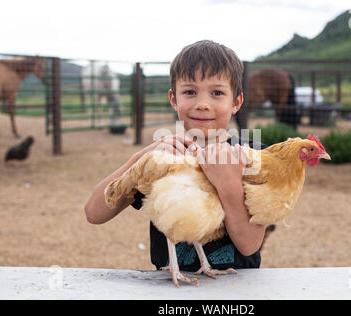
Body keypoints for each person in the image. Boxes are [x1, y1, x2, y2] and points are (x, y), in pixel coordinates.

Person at [84, 40, 268, 272]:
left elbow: (250, 245)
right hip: (172, 289)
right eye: (190, 92)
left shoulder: (252, 157)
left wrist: (229, 183)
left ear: (236, 102)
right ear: (174, 99)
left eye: (217, 93)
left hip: (237, 287)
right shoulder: (163, 158)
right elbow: (94, 213)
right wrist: (142, 159)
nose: (202, 104)